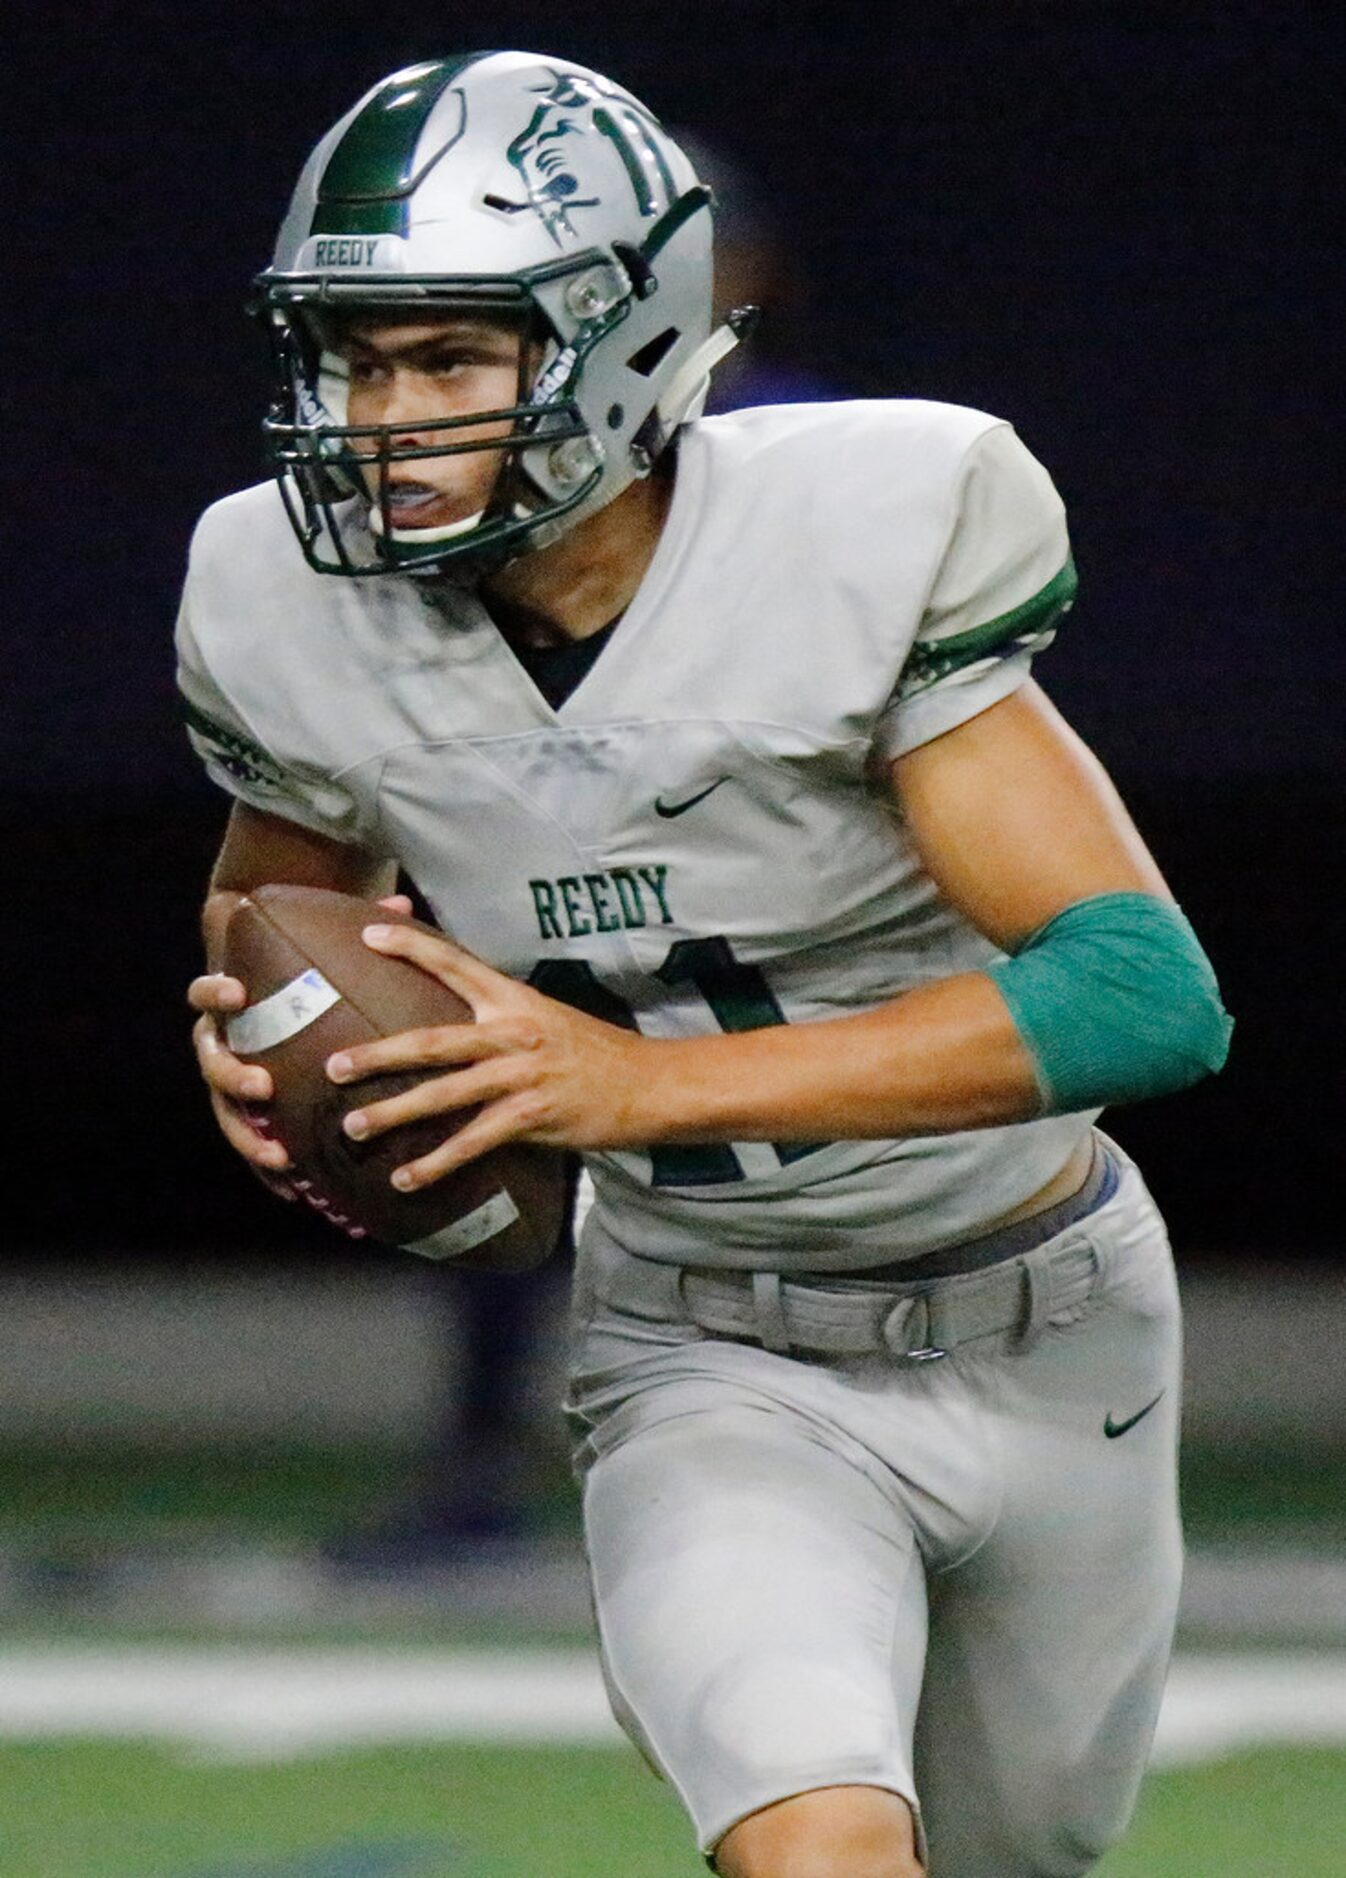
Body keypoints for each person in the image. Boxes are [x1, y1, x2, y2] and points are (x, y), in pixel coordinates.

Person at [180, 51, 1231, 1878]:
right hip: (699, 1339)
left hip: (1054, 1324)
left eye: (446, 359)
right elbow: (280, 920)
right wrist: (271, 1043)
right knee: (816, 1846)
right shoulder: (277, 593)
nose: (379, 415)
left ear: (615, 338)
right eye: (355, 358)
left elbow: (1141, 994)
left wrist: (637, 1083)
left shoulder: (868, 514)